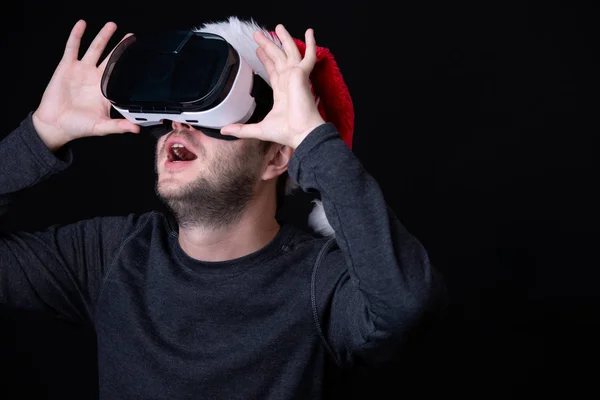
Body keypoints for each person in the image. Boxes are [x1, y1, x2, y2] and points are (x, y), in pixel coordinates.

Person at [0, 17, 446, 399]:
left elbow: (405, 304)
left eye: (208, 112)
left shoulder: (318, 282)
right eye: (175, 111)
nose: (179, 123)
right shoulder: (113, 255)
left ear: (275, 157)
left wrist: (312, 139)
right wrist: (40, 135)